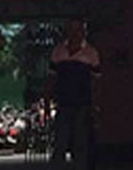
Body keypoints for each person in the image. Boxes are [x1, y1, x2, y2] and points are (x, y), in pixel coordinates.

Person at [46, 18, 101, 170]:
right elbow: (51, 79)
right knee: (60, 143)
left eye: (78, 30)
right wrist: (47, 102)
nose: (75, 33)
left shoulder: (91, 53)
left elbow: (96, 82)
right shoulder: (58, 52)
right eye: (72, 29)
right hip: (63, 103)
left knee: (80, 143)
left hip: (83, 104)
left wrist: (96, 106)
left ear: (83, 32)